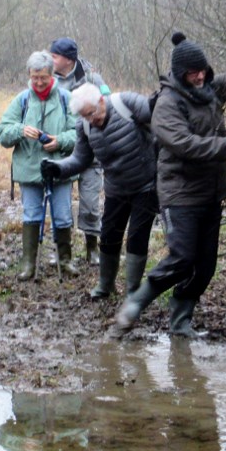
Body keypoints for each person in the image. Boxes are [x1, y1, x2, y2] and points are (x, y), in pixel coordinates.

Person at [115, 30, 226, 337]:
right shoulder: (167, 103)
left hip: (211, 191)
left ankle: (180, 321)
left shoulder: (209, 90)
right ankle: (136, 300)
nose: (200, 76)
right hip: (179, 193)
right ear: (180, 74)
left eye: (203, 70)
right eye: (193, 73)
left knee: (204, 268)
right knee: (182, 258)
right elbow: (184, 144)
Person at [42, 83, 159, 300]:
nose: (91, 120)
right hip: (116, 188)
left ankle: (133, 292)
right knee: (108, 236)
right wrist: (58, 168)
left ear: (101, 101)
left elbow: (161, 115)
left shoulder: (127, 103)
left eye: (92, 113)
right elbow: (80, 159)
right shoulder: (84, 126)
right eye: (85, 116)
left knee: (137, 237)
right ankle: (106, 285)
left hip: (147, 185)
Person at [0, 50, 79, 279]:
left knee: (62, 216)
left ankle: (65, 260)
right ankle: (28, 264)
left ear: (52, 75)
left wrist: (59, 141)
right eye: (35, 77)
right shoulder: (21, 100)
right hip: (28, 168)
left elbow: (80, 133)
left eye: (43, 77)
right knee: (31, 215)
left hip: (60, 167)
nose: (39, 82)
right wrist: (20, 131)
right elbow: (2, 133)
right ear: (29, 76)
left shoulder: (66, 99)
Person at [49, 38, 108, 265]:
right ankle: (61, 250)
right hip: (61, 151)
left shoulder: (92, 77)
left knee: (91, 204)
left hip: (91, 152)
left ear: (68, 59)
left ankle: (92, 248)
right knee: (60, 206)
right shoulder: (49, 79)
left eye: (55, 56)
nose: (51, 59)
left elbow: (107, 101)